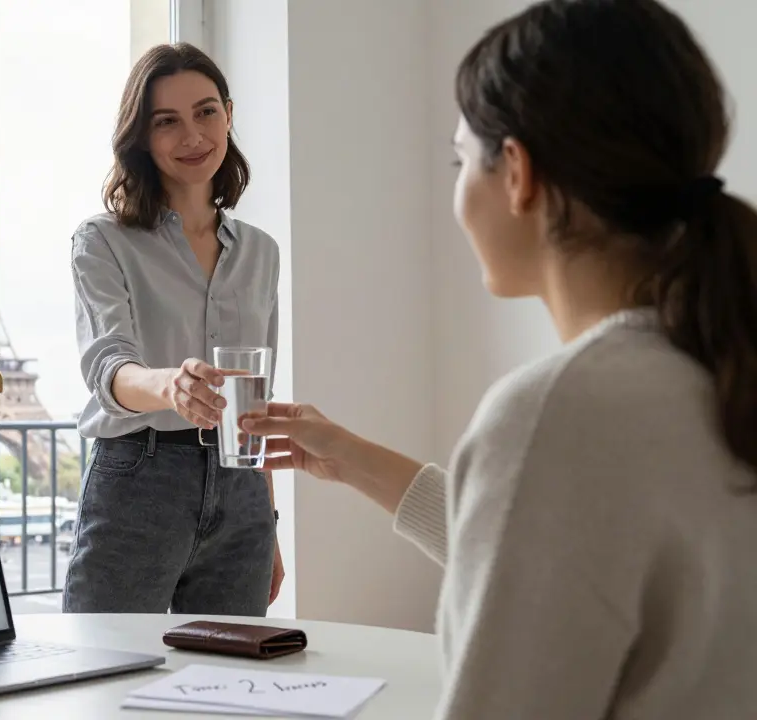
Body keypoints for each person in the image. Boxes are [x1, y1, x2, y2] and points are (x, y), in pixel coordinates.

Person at [244, 1, 757, 716]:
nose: (458, 188)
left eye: (462, 160)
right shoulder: (717, 363)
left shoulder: (565, 409)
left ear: (516, 171)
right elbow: (577, 558)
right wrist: (351, 457)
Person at [63, 42, 283, 615]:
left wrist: (268, 520)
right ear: (141, 136)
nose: (193, 137)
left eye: (206, 112)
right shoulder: (103, 241)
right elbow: (109, 367)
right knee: (102, 675)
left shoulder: (261, 251)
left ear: (229, 115)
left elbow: (256, 401)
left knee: (228, 688)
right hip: (141, 477)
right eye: (168, 122)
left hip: (242, 488)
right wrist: (172, 387)